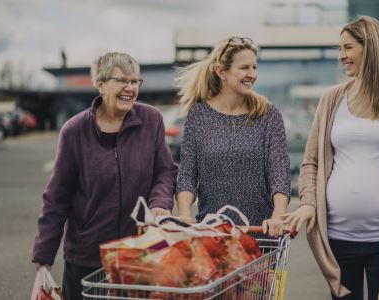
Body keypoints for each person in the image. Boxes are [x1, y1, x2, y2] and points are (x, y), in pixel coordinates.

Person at [283, 16, 379, 300]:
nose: (341, 56)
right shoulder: (331, 99)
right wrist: (307, 203)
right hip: (338, 240)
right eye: (339, 48)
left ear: (372, 48)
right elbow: (312, 162)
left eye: (348, 47)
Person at [32, 52, 177, 300]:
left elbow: (165, 171)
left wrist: (160, 204)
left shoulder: (151, 120)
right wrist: (44, 256)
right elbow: (57, 197)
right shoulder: (74, 131)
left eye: (135, 82)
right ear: (100, 83)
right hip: (87, 257)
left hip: (138, 253)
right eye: (121, 80)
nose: (129, 88)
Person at [174, 37, 291, 237]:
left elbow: (279, 173)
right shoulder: (199, 114)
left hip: (261, 237)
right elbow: (187, 175)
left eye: (254, 67)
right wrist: (185, 215)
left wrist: (278, 216)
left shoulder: (268, 114)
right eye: (244, 68)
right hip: (212, 235)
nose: (252, 74)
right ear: (221, 72)